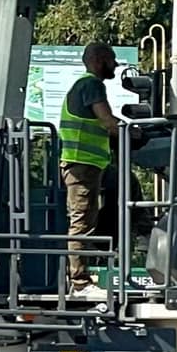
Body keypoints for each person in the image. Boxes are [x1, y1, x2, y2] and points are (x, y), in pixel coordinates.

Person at [61, 41, 123, 294]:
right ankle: (80, 282)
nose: (115, 65)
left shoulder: (81, 85)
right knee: (82, 222)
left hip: (84, 166)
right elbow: (108, 121)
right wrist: (135, 132)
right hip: (82, 166)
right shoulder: (91, 85)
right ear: (99, 60)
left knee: (85, 220)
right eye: (112, 59)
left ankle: (81, 277)